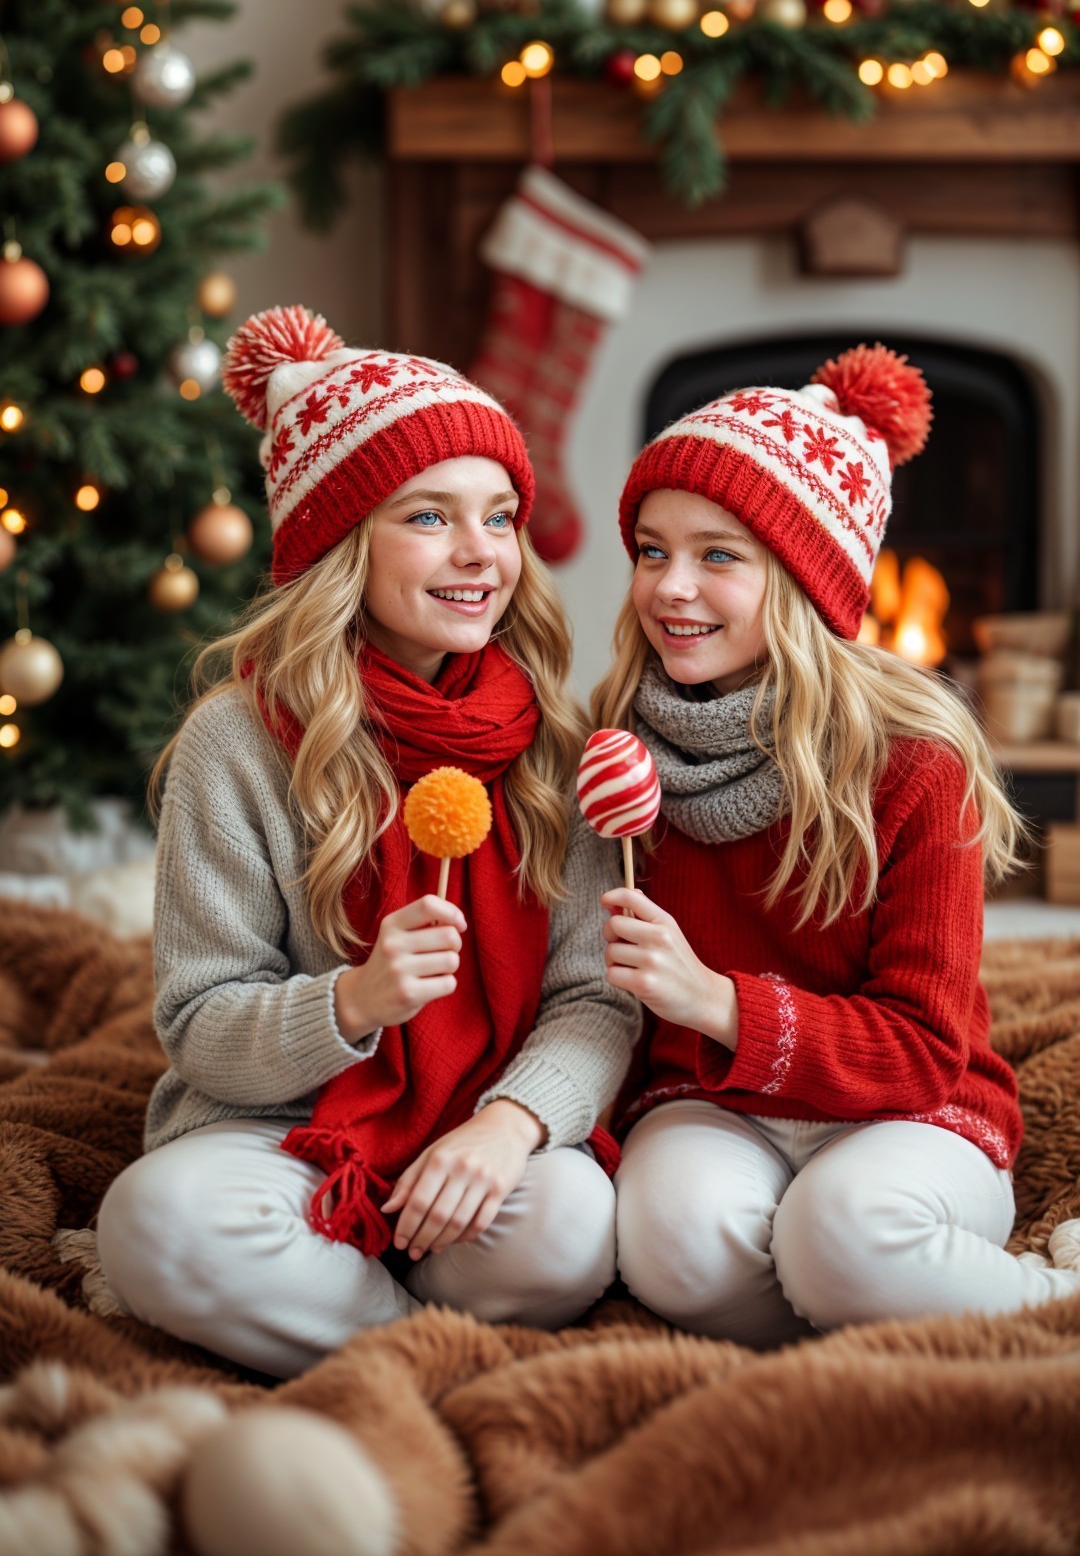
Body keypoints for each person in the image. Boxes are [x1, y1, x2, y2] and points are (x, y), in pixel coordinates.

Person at [97, 307, 637, 1378]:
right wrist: (350, 1004)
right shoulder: (238, 746)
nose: (480, 553)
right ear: (342, 541)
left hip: (481, 1126)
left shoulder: (553, 744)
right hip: (289, 1137)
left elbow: (597, 998)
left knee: (574, 1220)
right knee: (152, 1223)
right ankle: (415, 1348)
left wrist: (512, 1127)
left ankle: (346, 1314)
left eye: (499, 517)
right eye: (428, 518)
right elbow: (198, 1024)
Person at [587, 343, 1080, 1347]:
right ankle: (882, 1309)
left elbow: (926, 1046)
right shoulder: (616, 745)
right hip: (716, 1096)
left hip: (910, 1108)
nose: (671, 587)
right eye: (651, 549)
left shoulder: (915, 764)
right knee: (670, 1246)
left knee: (842, 1231)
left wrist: (716, 1000)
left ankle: (1040, 1297)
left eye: (719, 554)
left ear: (808, 578)